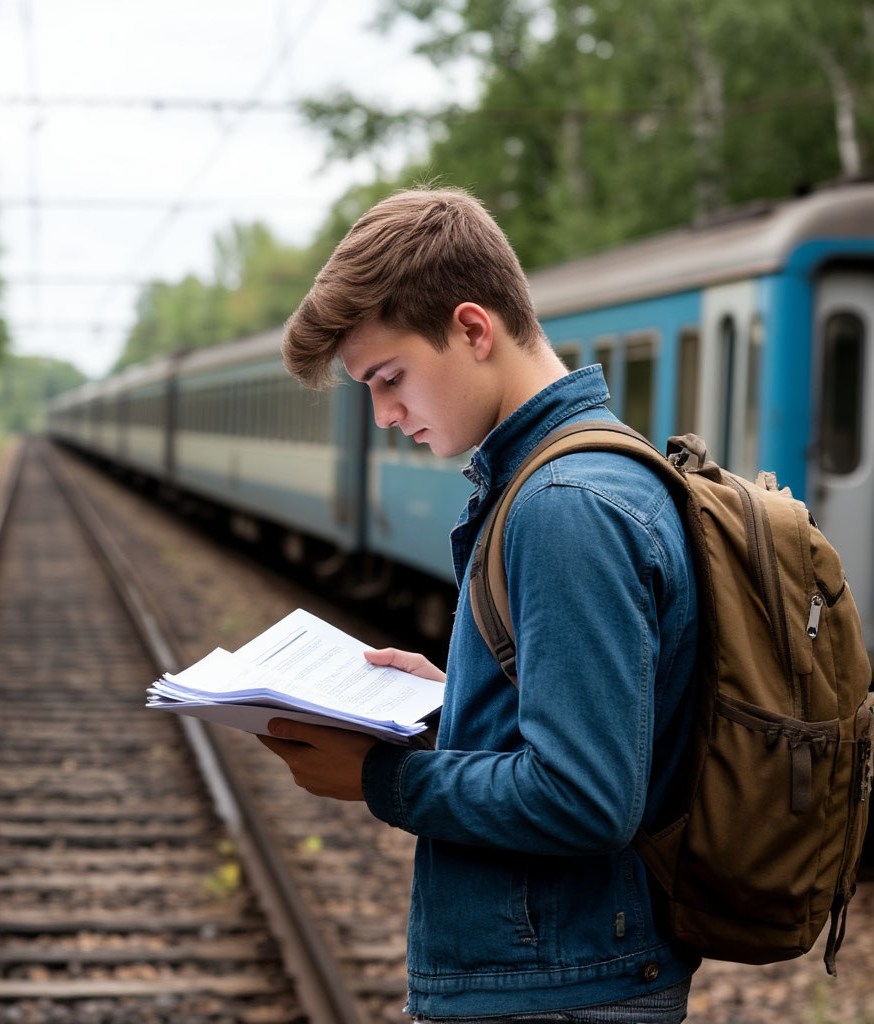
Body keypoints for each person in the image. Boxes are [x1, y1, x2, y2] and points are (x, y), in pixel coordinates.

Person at [259, 187, 700, 1023]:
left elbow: (585, 797)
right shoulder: (569, 479)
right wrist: (458, 698)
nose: (385, 415)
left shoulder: (565, 505)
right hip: (559, 979)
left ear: (471, 328)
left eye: (389, 379)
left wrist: (377, 777)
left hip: (556, 992)